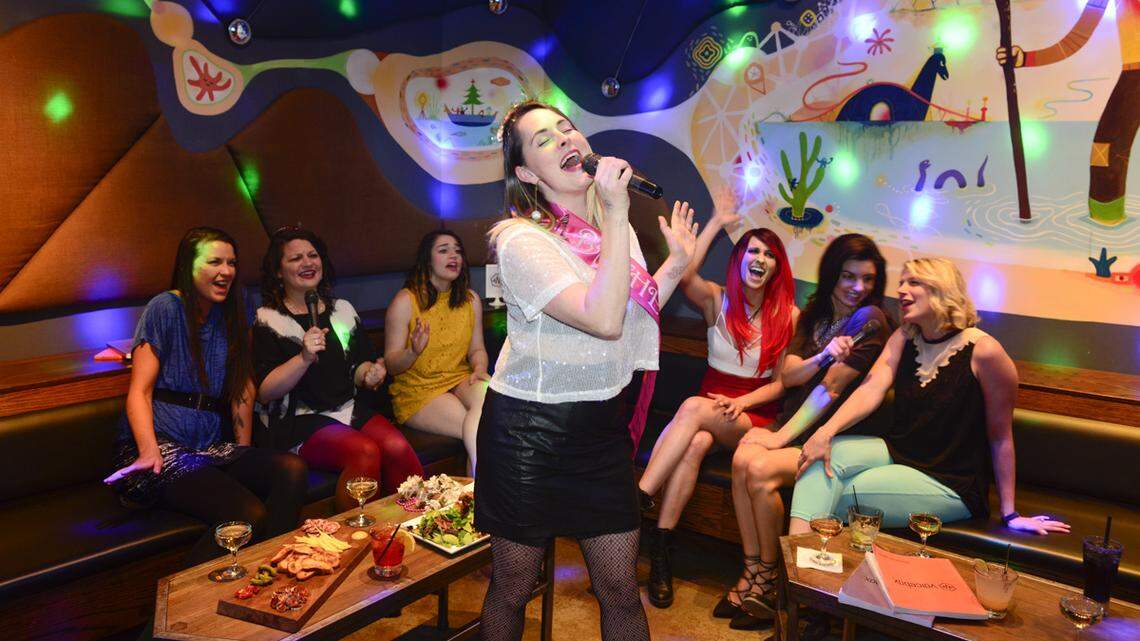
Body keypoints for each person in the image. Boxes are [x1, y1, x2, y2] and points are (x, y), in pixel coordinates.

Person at [475, 100, 697, 641]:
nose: (566, 138)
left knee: (620, 586)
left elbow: (629, 318)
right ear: (526, 172)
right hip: (528, 433)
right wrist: (620, 214)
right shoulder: (520, 240)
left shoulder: (611, 231)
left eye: (568, 127)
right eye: (545, 139)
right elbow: (600, 318)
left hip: (600, 431)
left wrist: (676, 266)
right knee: (514, 585)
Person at [789, 258, 1070, 539]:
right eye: (901, 283)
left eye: (913, 282)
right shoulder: (904, 337)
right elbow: (870, 390)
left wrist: (1010, 514)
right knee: (816, 457)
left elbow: (1001, 437)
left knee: (836, 491)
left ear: (941, 289)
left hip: (949, 481)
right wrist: (825, 432)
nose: (901, 290)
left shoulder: (985, 352)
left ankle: (803, 569)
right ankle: (801, 569)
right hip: (898, 454)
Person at [104, 227, 308, 569]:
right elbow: (140, 390)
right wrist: (148, 450)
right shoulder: (165, 307)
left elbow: (242, 382)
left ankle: (267, 574)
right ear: (189, 265)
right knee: (246, 513)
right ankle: (172, 615)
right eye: (214, 261)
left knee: (292, 468)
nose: (226, 271)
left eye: (231, 262)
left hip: (209, 447)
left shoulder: (238, 304)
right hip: (161, 447)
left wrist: (243, 447)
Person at [636, 188, 796, 611]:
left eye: (769, 254)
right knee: (695, 442)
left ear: (778, 266)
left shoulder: (789, 316)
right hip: (712, 414)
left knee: (690, 408)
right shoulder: (717, 301)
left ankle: (638, 498)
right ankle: (662, 552)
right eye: (752, 251)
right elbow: (684, 276)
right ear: (739, 259)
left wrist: (742, 404)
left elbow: (781, 385)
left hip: (754, 417)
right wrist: (715, 223)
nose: (760, 259)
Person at [722, 234, 890, 629]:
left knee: (759, 472)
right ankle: (753, 571)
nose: (858, 287)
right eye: (849, 276)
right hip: (795, 422)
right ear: (832, 273)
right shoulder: (815, 311)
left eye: (867, 279)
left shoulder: (870, 320)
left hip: (832, 435)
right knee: (742, 457)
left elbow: (829, 389)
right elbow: (791, 374)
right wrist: (824, 353)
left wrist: (778, 438)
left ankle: (771, 579)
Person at [253, 227, 423, 511]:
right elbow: (266, 392)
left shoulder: (342, 310)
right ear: (278, 272)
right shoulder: (267, 320)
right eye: (296, 258)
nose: (308, 263)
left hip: (346, 408)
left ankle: (415, 524)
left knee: (398, 447)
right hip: (299, 420)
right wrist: (303, 358)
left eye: (313, 255)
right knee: (365, 452)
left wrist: (370, 373)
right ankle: (356, 539)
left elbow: (358, 366)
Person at [384, 230, 488, 474]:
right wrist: (413, 351)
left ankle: (478, 493)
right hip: (419, 390)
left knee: (497, 407)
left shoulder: (470, 300)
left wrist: (480, 367)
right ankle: (481, 494)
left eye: (458, 250)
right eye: (443, 250)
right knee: (480, 427)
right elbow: (391, 364)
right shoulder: (405, 301)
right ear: (427, 260)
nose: (454, 255)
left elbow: (477, 348)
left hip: (459, 378)